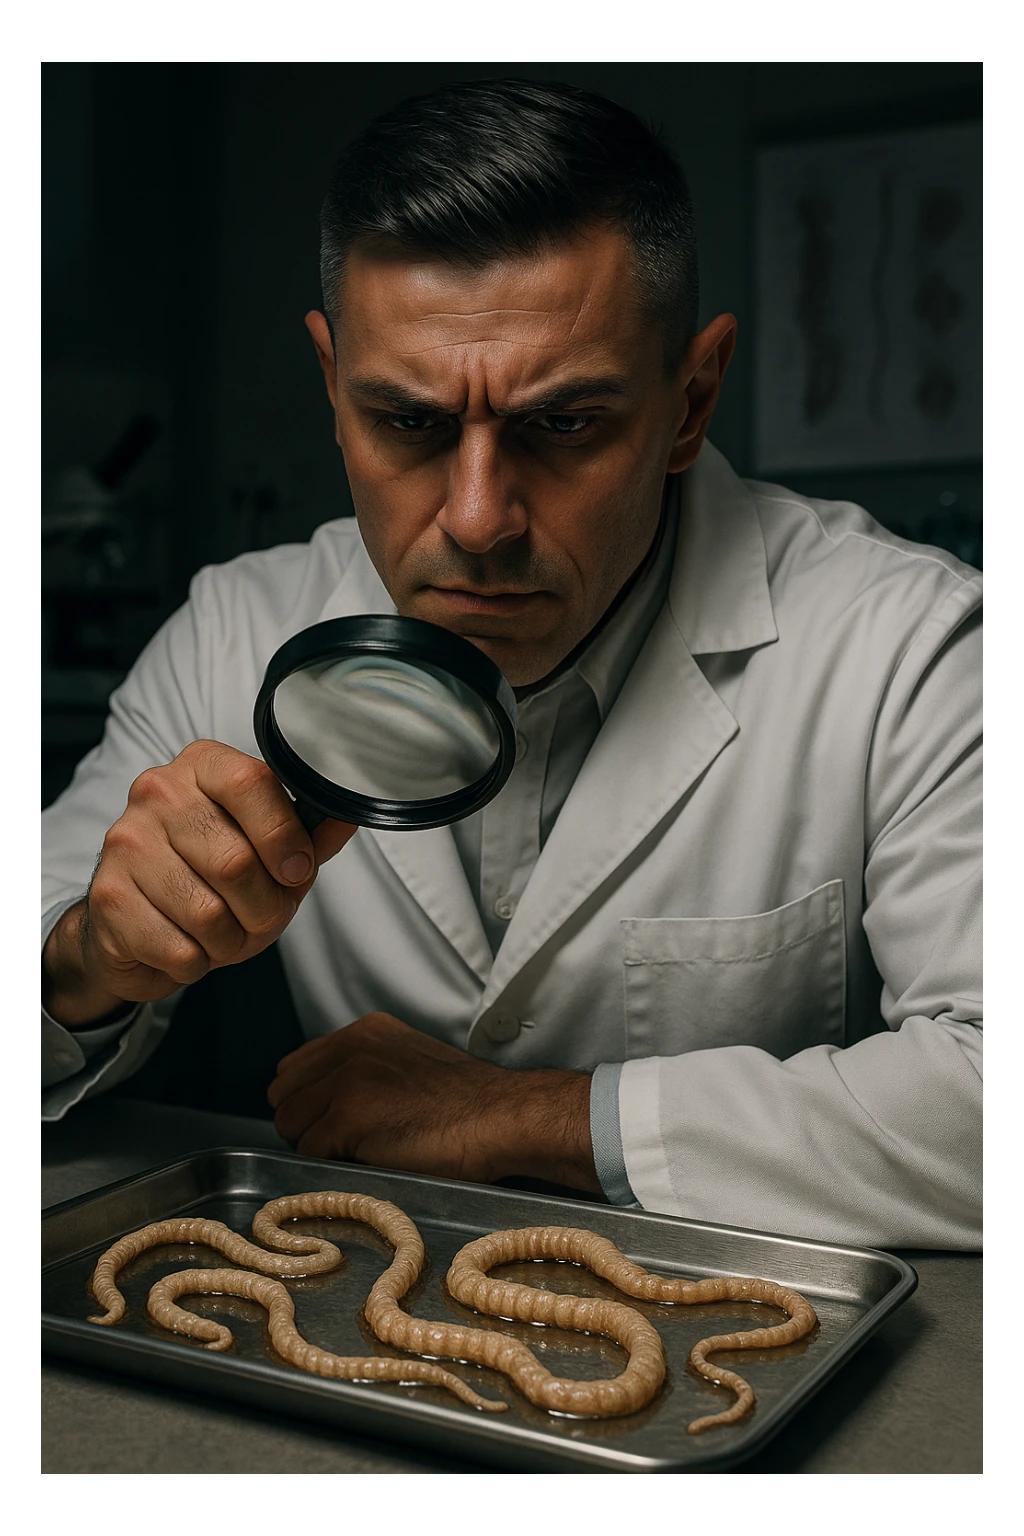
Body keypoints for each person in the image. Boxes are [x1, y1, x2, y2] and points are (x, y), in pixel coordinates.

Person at [41, 78, 981, 1250]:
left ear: (690, 400)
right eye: (408, 423)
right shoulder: (237, 627)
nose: (479, 520)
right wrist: (84, 957)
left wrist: (527, 1115)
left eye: (565, 425)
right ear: (333, 385)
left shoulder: (911, 645)